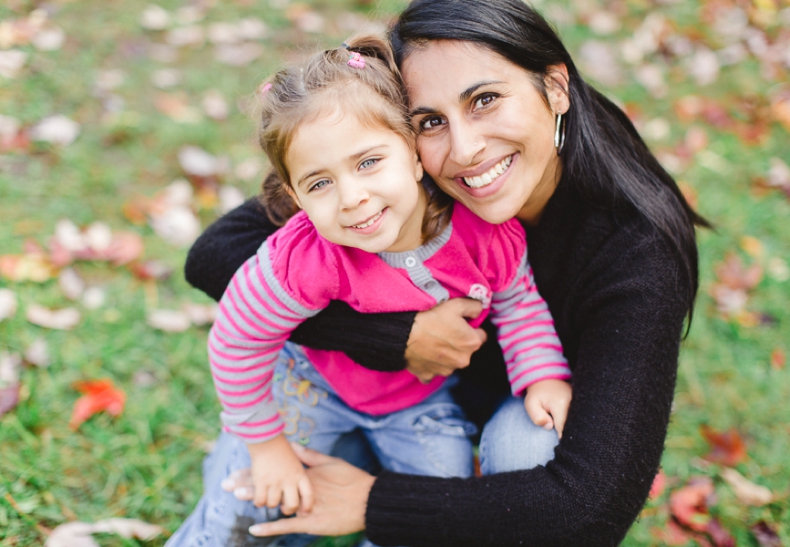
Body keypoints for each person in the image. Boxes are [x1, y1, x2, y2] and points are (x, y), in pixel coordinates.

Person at [181, 0, 709, 545]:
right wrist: (396, 337)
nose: (464, 149)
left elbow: (589, 506)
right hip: (350, 390)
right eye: (430, 121)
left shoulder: (637, 254)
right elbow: (217, 254)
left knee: (532, 444)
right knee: (255, 507)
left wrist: (371, 503)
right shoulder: (376, 191)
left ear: (556, 86)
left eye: (485, 99)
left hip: (451, 417)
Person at [169, 33, 572, 547]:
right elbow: (238, 339)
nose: (353, 198)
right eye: (319, 183)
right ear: (294, 195)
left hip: (418, 405)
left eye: (368, 163)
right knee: (248, 500)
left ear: (415, 153)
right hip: (311, 391)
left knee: (434, 513)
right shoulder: (304, 257)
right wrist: (267, 445)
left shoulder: (484, 233)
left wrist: (543, 376)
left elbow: (518, 305)